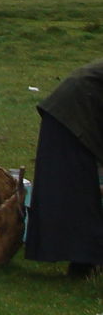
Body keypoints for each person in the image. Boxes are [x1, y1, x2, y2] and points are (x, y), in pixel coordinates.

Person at [25, 59, 103, 278]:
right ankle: (84, 262)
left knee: (79, 190)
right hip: (71, 114)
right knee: (75, 191)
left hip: (79, 110)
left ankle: (87, 260)